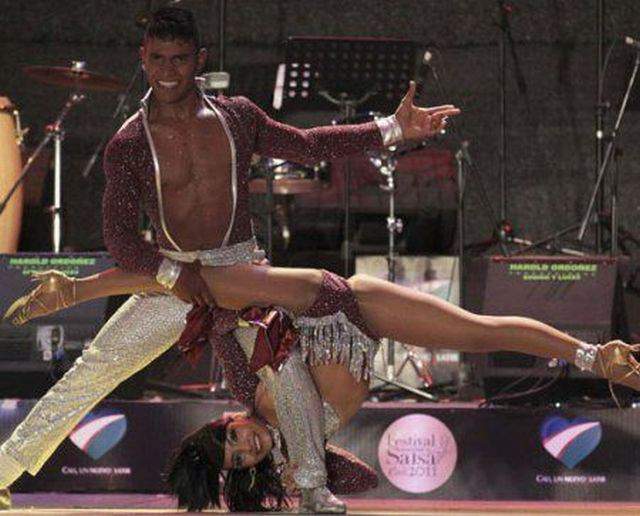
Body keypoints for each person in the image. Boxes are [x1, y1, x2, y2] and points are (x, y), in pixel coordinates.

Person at [2, 5, 640, 512]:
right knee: (93, 372)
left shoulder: (236, 117)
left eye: (178, 59)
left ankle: (312, 487)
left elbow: (308, 144)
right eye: (156, 58)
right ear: (141, 58)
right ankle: (4, 471)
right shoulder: (128, 143)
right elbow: (122, 238)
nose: (166, 70)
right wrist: (172, 274)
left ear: (200, 60)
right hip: (178, 275)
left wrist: (391, 129)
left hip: (240, 271)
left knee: (281, 356)